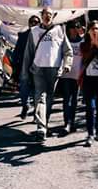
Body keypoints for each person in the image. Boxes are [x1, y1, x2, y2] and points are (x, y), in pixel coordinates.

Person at [20, 7, 72, 142]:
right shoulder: (34, 31)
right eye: (45, 14)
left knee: (49, 99)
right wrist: (24, 73)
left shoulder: (60, 30)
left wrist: (67, 64)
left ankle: (44, 125)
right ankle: (41, 128)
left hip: (54, 70)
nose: (47, 16)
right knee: (40, 97)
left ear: (53, 16)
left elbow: (68, 51)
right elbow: (28, 54)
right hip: (38, 69)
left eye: (50, 14)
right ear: (41, 16)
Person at [80, 20, 98, 146]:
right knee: (90, 107)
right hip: (88, 79)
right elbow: (85, 58)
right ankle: (90, 134)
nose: (94, 30)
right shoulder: (84, 44)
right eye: (92, 28)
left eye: (97, 28)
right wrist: (93, 47)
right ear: (88, 30)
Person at [12, 15, 40, 119]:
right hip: (24, 67)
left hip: (38, 67)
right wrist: (15, 65)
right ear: (29, 24)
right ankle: (25, 105)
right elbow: (16, 51)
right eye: (32, 22)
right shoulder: (23, 36)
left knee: (37, 92)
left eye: (36, 22)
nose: (34, 24)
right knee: (24, 90)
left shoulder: (42, 36)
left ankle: (36, 114)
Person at [60, 21, 83, 134]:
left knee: (74, 100)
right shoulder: (64, 42)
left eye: (77, 27)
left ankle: (72, 122)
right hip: (66, 74)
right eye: (72, 27)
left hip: (77, 75)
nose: (75, 29)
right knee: (66, 99)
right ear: (68, 29)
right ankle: (66, 123)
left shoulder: (83, 42)